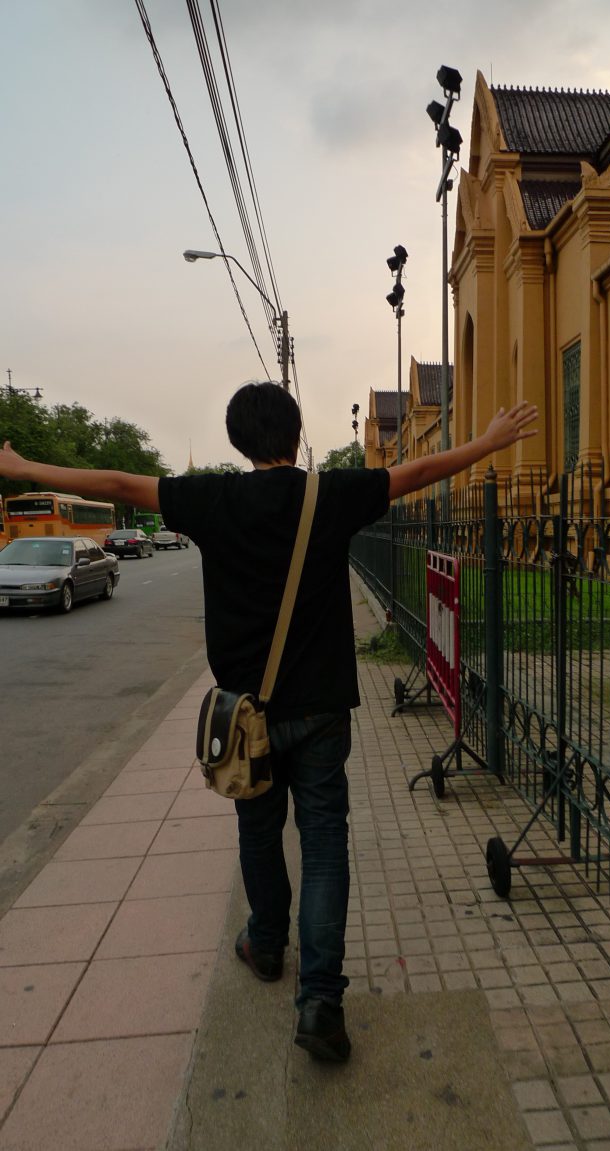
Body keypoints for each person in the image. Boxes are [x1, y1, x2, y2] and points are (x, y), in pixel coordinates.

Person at [0, 382, 537, 1063]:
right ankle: (320, 1000)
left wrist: (23, 469)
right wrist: (487, 442)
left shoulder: (212, 500)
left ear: (237, 440)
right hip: (320, 711)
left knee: (257, 830)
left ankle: (265, 943)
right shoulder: (330, 494)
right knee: (324, 845)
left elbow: (113, 480)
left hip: (244, 715)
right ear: (295, 431)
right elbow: (418, 471)